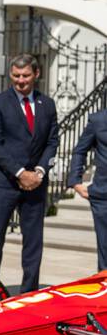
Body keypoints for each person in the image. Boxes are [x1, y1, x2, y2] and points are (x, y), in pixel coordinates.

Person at [0, 54, 60, 293]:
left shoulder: (47, 104)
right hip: (3, 182)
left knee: (34, 242)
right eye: (16, 76)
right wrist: (20, 173)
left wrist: (38, 171)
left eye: (25, 75)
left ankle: (29, 291)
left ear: (36, 75)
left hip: (35, 184)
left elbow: (52, 141)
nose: (20, 80)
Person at [69, 107, 107, 271]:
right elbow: (80, 150)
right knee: (105, 253)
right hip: (104, 196)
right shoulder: (98, 120)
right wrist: (76, 181)